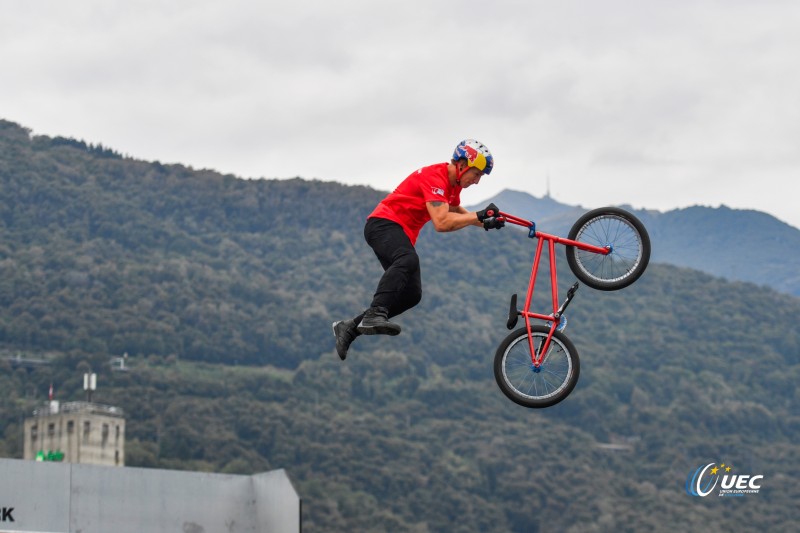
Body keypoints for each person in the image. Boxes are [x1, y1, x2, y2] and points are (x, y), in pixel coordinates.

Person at [332, 139, 504, 360]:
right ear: (462, 164)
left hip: (397, 232)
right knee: (407, 259)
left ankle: (349, 328)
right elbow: (441, 223)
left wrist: (487, 221)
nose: (477, 181)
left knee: (412, 294)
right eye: (477, 174)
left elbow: (458, 212)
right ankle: (375, 313)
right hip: (382, 224)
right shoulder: (435, 177)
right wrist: (478, 216)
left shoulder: (452, 187)